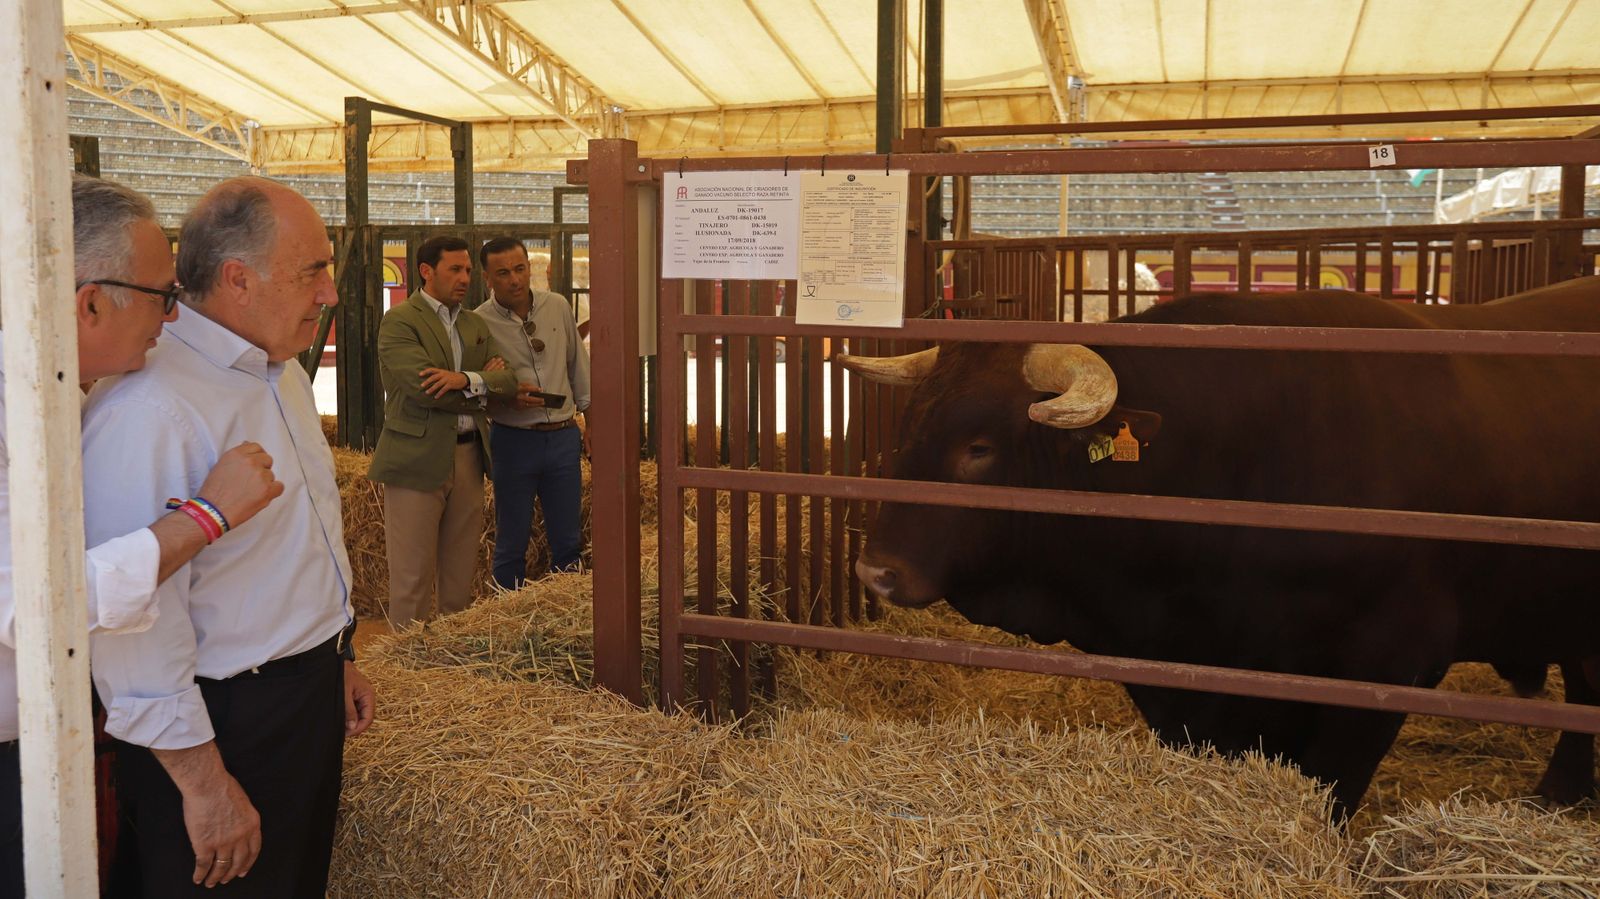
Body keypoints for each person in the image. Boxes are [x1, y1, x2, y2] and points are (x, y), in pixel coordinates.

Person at [80, 176, 376, 897]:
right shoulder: (152, 404)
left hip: (293, 701)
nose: (329, 292)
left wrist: (331, 654)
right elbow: (132, 628)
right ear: (240, 280)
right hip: (221, 726)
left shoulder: (279, 371)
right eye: (314, 271)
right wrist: (205, 783)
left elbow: (290, 548)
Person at [0, 174, 285, 896]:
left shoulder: (67, 397)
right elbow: (32, 612)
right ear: (89, 301)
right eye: (163, 295)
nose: (174, 315)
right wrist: (204, 517)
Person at [368, 235, 515, 625]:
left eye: (468, 270)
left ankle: (448, 668)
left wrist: (462, 379)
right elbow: (425, 389)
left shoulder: (474, 324)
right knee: (412, 578)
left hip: (469, 457)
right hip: (416, 459)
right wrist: (482, 384)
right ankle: (408, 672)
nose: (465, 277)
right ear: (426, 271)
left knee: (459, 576)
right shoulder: (399, 321)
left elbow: (510, 382)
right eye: (455, 269)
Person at [470, 237, 591, 587]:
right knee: (511, 540)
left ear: (529, 267)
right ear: (487, 278)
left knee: (568, 539)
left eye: (520, 269)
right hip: (512, 440)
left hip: (564, 436)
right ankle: (507, 615)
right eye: (503, 273)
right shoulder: (478, 323)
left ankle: (567, 613)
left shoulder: (557, 306)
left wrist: (589, 426)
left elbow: (578, 368)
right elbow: (476, 388)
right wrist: (505, 398)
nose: (515, 280)